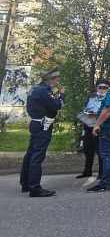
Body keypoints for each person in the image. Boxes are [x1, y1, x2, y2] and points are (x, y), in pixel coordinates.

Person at [20, 68, 65, 197]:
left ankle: (26, 183)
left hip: (36, 123)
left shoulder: (35, 89)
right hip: (42, 125)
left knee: (31, 153)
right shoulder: (44, 91)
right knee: (37, 156)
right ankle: (35, 188)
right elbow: (56, 105)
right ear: (50, 79)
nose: (57, 82)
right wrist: (62, 96)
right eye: (56, 79)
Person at [75, 79, 109, 179]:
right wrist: (87, 112)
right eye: (100, 88)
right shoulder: (91, 99)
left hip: (100, 127)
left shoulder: (108, 100)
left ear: (108, 89)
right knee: (88, 150)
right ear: (97, 88)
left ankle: (102, 173)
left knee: (100, 151)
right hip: (89, 126)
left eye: (104, 88)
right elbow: (86, 109)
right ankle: (87, 171)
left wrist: (97, 114)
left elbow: (108, 113)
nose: (102, 90)